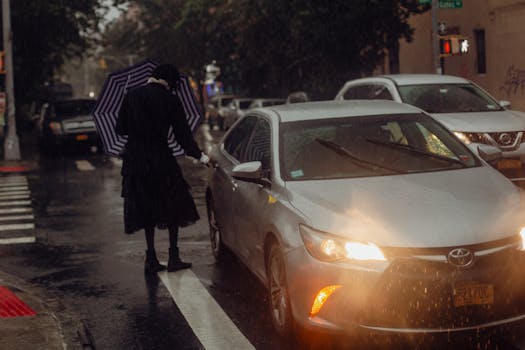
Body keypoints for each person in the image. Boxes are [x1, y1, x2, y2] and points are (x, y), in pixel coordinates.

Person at [116, 64, 209, 274]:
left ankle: (151, 258)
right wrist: (200, 156)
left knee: (145, 207)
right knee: (172, 206)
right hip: (160, 158)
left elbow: (120, 128)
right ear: (169, 80)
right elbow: (182, 135)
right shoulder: (170, 100)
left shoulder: (132, 95)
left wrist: (137, 127)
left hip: (136, 161)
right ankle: (174, 256)